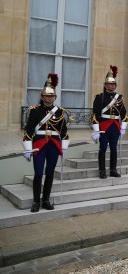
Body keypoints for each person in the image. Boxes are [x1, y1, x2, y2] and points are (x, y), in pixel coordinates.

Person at [22, 74, 70, 213]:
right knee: (38, 173)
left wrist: (64, 146)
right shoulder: (35, 110)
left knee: (49, 173)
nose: (49, 98)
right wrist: (27, 147)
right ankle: (36, 201)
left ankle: (46, 200)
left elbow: (64, 131)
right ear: (42, 97)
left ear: (54, 97)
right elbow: (29, 130)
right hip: (39, 144)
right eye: (47, 96)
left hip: (54, 145)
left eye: (51, 96)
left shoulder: (60, 112)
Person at [92, 65, 127, 179]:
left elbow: (124, 114)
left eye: (114, 84)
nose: (112, 86)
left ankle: (113, 169)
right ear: (106, 85)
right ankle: (102, 170)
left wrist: (123, 127)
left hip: (115, 126)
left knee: (114, 148)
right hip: (104, 125)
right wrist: (96, 130)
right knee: (103, 148)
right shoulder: (100, 97)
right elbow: (95, 114)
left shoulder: (119, 98)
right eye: (110, 84)